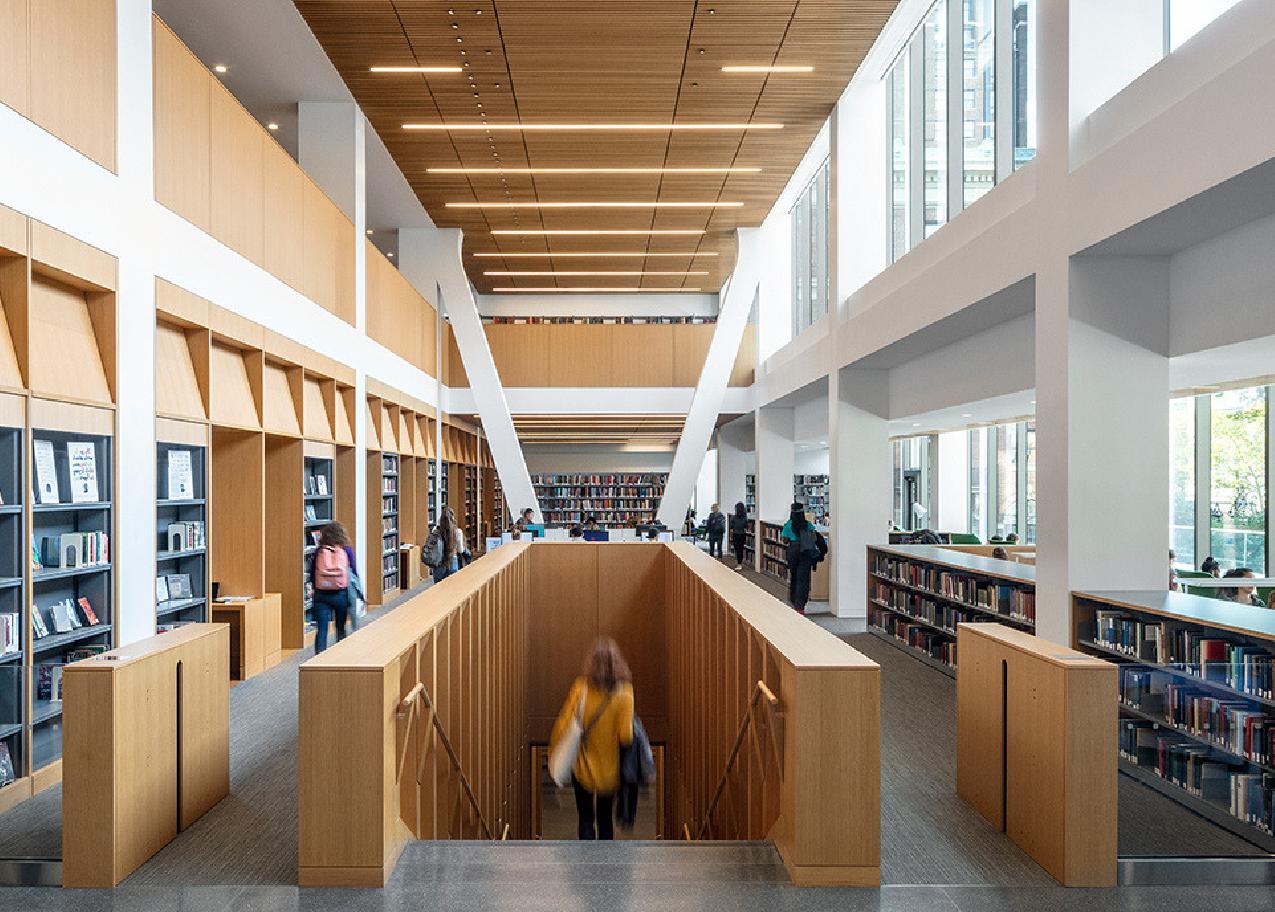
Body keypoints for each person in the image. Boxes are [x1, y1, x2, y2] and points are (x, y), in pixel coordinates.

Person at [549, 638, 634, 841]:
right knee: (605, 820)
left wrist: (555, 748)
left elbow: (564, 723)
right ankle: (604, 867)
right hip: (610, 770)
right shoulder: (625, 693)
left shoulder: (581, 688)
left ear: (591, 663)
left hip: (583, 767)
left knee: (585, 818)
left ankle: (585, 864)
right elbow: (626, 736)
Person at [311, 522, 357, 654]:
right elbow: (353, 571)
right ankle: (340, 657)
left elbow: (313, 572)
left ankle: (319, 659)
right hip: (341, 594)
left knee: (322, 629)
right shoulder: (346, 550)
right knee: (340, 627)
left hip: (322, 594)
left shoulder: (319, 551)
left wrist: (316, 587)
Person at [780, 502, 826, 614]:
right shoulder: (808, 524)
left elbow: (785, 540)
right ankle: (800, 606)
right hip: (806, 553)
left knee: (794, 577)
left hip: (793, 552)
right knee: (804, 579)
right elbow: (814, 538)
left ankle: (794, 601)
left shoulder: (788, 525)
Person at [429, 506, 465, 584]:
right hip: (452, 561)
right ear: (453, 518)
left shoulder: (435, 531)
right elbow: (460, 550)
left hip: (438, 563)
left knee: (437, 589)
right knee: (451, 589)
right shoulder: (458, 532)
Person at [729, 502, 749, 571]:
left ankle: (738, 563)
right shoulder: (745, 517)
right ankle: (739, 563)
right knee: (741, 549)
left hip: (735, 534)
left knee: (737, 549)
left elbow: (731, 526)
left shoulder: (734, 517)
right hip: (742, 534)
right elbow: (746, 526)